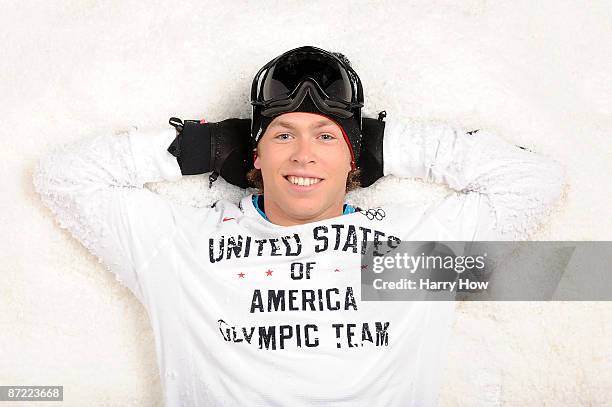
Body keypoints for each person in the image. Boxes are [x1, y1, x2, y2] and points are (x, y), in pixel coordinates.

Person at [32, 46, 566, 406]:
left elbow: (534, 179)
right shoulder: (182, 247)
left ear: (357, 162)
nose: (303, 155)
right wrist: (209, 145)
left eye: (326, 137)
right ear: (253, 154)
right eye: (283, 135)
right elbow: (63, 176)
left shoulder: (410, 253)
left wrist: (384, 143)